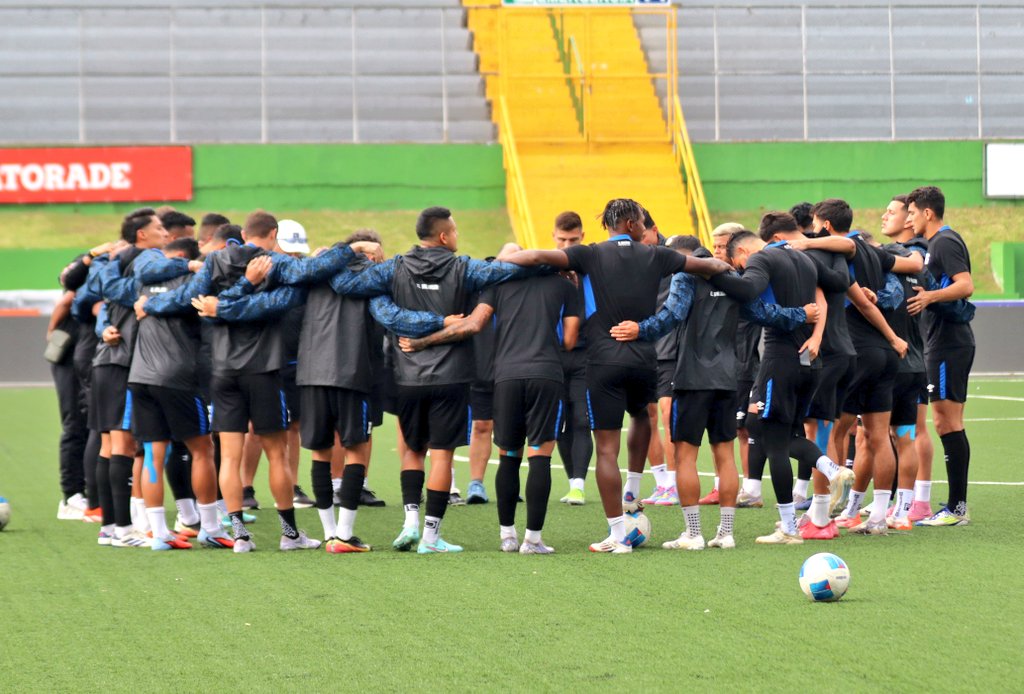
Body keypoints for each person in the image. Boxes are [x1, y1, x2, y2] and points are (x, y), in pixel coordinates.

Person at [501, 198, 733, 553]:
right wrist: (728, 269)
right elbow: (711, 265)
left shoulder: (589, 254)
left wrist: (502, 263)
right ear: (628, 223)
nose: (644, 226)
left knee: (606, 451)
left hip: (603, 363)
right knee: (642, 415)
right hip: (644, 359)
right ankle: (634, 487)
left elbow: (532, 257)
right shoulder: (656, 255)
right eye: (641, 220)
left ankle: (617, 535)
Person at [141, 210, 372, 552]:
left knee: (230, 456)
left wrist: (149, 303)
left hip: (222, 372)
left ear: (243, 234)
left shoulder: (215, 261)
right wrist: (352, 249)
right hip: (263, 370)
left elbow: (186, 298)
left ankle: (239, 536)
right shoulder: (275, 262)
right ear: (273, 233)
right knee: (277, 455)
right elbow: (309, 272)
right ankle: (289, 535)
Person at [328, 206, 540, 554]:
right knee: (442, 454)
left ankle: (410, 521)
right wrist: (557, 264)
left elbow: (344, 283)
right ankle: (430, 536)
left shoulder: (393, 267)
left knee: (412, 450)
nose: (457, 236)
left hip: (407, 376)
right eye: (454, 231)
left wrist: (354, 249)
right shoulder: (464, 268)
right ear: (444, 236)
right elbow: (506, 271)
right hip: (452, 376)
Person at [623, 238, 816, 549]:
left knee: (685, 454)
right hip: (729, 378)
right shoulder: (735, 280)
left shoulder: (686, 277)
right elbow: (766, 313)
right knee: (724, 454)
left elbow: (669, 317)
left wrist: (639, 330)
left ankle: (693, 533)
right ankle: (725, 534)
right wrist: (801, 314)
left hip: (692, 377)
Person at [400, 243, 581, 554]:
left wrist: (422, 342)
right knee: (540, 455)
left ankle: (507, 537)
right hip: (546, 375)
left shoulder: (497, 284)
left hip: (506, 376)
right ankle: (533, 540)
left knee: (509, 455)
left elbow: (473, 324)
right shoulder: (564, 285)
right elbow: (569, 340)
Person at [711, 231, 854, 545]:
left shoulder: (762, 258)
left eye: (738, 263)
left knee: (773, 441)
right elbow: (831, 292)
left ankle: (789, 528)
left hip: (780, 359)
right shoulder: (804, 257)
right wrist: (816, 336)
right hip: (810, 362)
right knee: (790, 435)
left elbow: (749, 289)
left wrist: (713, 272)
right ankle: (831, 469)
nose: (742, 269)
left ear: (745, 251)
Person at [813, 199, 914, 536]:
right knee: (877, 436)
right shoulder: (876, 253)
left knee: (834, 430)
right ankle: (878, 516)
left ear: (825, 225)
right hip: (884, 354)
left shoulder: (842, 249)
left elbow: (844, 248)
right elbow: (912, 264)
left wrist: (801, 243)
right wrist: (893, 337)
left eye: (815, 225)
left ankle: (823, 513)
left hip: (855, 351)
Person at [130, 238, 232, 549]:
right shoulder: (193, 283)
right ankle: (211, 527)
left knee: (152, 453)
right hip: (177, 378)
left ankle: (159, 533)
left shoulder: (144, 283)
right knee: (202, 450)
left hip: (140, 376)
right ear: (190, 258)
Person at [906, 186, 976, 526]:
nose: (909, 218)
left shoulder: (944, 242)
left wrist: (931, 297)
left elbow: (965, 285)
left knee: (946, 421)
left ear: (928, 213)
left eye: (912, 213)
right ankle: (955, 506)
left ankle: (957, 508)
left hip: (949, 344)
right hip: (943, 342)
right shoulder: (937, 244)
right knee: (948, 421)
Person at [880, 195, 938, 522]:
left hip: (903, 355)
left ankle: (915, 501)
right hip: (909, 356)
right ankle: (900, 505)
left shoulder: (916, 252)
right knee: (900, 433)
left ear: (908, 219)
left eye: (893, 212)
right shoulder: (906, 256)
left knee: (907, 431)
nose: (884, 216)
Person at [551, 212, 592, 505]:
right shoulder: (543, 269)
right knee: (560, 421)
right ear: (553, 237)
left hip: (587, 355)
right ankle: (571, 482)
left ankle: (579, 484)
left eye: (573, 240)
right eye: (562, 239)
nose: (567, 246)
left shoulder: (593, 270)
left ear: (583, 238)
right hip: (551, 356)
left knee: (580, 418)